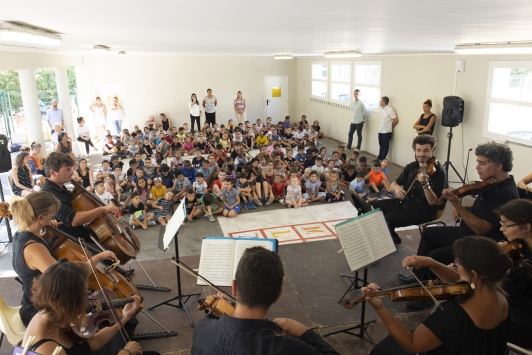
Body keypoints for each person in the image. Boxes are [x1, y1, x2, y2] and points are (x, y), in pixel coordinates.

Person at [398, 141, 519, 286]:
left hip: (477, 244)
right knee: (429, 234)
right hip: (465, 232)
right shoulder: (493, 183)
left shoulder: (504, 193)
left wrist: (457, 204)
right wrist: (467, 208)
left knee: (435, 256)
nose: (477, 167)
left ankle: (425, 293)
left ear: (499, 166)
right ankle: (419, 276)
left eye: (482, 163)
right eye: (477, 162)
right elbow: (485, 209)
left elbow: (481, 228)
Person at [366, 236, 511, 355]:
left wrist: (380, 308)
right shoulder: (499, 296)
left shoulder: (456, 313)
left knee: (383, 350)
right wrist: (432, 263)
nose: (455, 265)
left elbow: (412, 345)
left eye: (458, 263)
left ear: (474, 274)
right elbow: (458, 280)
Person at [192, 247, 338, 354]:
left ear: (234, 287)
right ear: (278, 295)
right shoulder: (286, 348)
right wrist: (304, 332)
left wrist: (216, 317)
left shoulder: (202, 329)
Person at [11, 192, 116, 327]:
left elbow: (35, 259)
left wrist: (48, 235)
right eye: (52, 214)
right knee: (100, 318)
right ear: (40, 218)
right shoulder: (34, 249)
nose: (53, 217)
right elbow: (69, 277)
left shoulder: (21, 234)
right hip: (40, 311)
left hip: (34, 300)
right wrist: (99, 257)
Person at [22, 260, 155, 355]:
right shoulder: (46, 349)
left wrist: (125, 318)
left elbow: (91, 342)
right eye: (84, 295)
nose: (88, 301)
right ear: (69, 301)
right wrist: (124, 352)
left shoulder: (55, 314)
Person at [365, 134, 445, 245]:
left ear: (433, 151)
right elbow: (394, 183)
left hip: (424, 210)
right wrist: (397, 188)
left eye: (426, 151)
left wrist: (425, 184)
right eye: (418, 150)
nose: (421, 154)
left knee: (389, 219)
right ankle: (390, 237)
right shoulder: (411, 166)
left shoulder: (439, 172)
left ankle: (390, 241)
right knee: (371, 206)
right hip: (405, 202)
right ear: (415, 150)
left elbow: (433, 202)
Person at [41, 152, 118, 245]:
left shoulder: (58, 186)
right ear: (53, 172)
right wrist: (101, 209)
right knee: (109, 254)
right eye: (67, 170)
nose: (71, 172)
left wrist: (77, 189)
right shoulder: (50, 194)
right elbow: (73, 220)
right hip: (67, 240)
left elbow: (70, 201)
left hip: (77, 232)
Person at [498, 199, 532, 348]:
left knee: (469, 319)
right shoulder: (524, 248)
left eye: (506, 225)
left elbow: (499, 293)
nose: (501, 229)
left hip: (524, 327)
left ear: (526, 227)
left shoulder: (526, 266)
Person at [375, 96, 398, 162]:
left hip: (387, 131)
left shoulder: (390, 110)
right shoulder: (382, 109)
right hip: (381, 130)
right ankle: (379, 157)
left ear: (384, 102)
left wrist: (390, 126)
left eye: (380, 100)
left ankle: (382, 158)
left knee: (385, 145)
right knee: (381, 144)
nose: (379, 102)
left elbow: (395, 120)